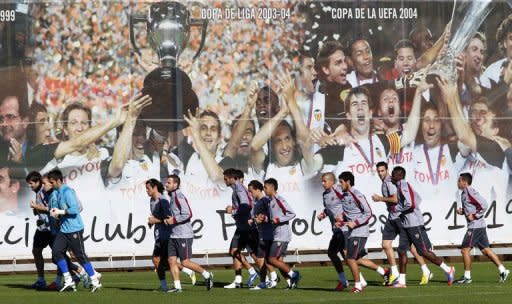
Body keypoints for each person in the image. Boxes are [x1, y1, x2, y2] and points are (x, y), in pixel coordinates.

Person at [391, 166, 455, 287]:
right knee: (401, 251)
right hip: (406, 223)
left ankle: (448, 269)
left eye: (393, 174)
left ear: (399, 176)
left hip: (413, 224)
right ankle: (402, 281)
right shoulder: (401, 186)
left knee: (423, 252)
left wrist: (397, 208)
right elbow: (417, 199)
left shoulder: (403, 185)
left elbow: (411, 203)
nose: (391, 176)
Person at [371, 162, 432, 286]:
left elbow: (395, 199)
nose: (380, 173)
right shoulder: (384, 183)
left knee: (412, 248)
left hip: (399, 217)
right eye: (378, 171)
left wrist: (380, 199)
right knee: (386, 244)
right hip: (392, 218)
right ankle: (394, 272)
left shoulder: (390, 182)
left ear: (387, 170)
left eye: (382, 170)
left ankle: (426, 270)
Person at [47, 169, 102, 292]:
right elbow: (65, 211)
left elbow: (75, 209)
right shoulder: (59, 192)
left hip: (74, 229)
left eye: (52, 182)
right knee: (56, 252)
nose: (51, 185)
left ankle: (94, 280)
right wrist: (57, 215)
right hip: (64, 229)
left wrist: (60, 212)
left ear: (58, 180)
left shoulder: (67, 192)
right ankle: (68, 280)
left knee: (80, 256)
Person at [336, 171, 388, 293]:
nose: (340, 184)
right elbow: (351, 213)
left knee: (350, 258)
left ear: (348, 182)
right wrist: (342, 220)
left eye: (341, 182)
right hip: (351, 232)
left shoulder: (357, 194)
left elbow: (368, 212)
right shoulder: (344, 195)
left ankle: (359, 285)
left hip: (360, 231)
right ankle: (383, 271)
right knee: (355, 258)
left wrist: (355, 223)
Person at [455, 173, 510, 284]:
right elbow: (471, 208)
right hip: (478, 226)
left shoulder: (470, 191)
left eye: (459, 181)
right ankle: (503, 270)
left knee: (465, 250)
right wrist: (463, 212)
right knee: (486, 250)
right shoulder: (464, 193)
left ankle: (467, 277)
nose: (458, 183)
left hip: (475, 226)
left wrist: (474, 216)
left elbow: (484, 204)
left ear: (465, 182)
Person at [164, 174, 214, 292]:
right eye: (166, 182)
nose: (166, 184)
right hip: (174, 234)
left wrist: (173, 220)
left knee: (185, 262)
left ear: (176, 185)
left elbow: (188, 214)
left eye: (169, 183)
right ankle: (177, 287)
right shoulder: (172, 197)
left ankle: (207, 275)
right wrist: (169, 220)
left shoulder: (178, 196)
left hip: (183, 235)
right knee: (171, 260)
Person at [223, 168, 258, 288]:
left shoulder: (239, 189)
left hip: (247, 227)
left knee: (250, 253)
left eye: (226, 179)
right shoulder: (237, 189)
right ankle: (239, 280)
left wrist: (232, 210)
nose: (224, 181)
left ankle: (264, 275)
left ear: (233, 178)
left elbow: (246, 206)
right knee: (236, 251)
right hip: (242, 226)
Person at [263, 178, 300, 289]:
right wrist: (264, 218)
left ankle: (294, 274)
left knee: (271, 259)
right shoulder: (271, 202)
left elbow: (292, 213)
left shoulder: (279, 200)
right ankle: (290, 283)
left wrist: (278, 220)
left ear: (272, 187)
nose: (264, 190)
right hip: (277, 234)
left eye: (265, 187)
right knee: (279, 262)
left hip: (282, 235)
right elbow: (273, 218)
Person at [316, 172, 349, 291]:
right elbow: (329, 209)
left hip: (344, 229)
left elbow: (350, 205)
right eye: (322, 181)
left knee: (347, 256)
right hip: (336, 230)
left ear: (331, 181)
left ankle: (358, 280)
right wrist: (323, 214)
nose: (322, 183)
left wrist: (343, 216)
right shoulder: (325, 194)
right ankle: (344, 280)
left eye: (325, 181)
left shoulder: (339, 190)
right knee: (334, 254)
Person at [247, 179, 279, 290]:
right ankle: (273, 278)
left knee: (261, 259)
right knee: (265, 259)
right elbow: (259, 217)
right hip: (261, 233)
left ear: (257, 189)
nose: (250, 194)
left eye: (251, 191)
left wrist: (260, 219)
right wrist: (253, 220)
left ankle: (264, 282)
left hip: (267, 234)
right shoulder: (257, 202)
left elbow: (269, 216)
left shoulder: (265, 201)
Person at [145, 178, 173, 292]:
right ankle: (164, 286)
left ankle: (189, 271)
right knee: (157, 260)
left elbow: (168, 219)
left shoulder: (163, 201)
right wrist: (151, 223)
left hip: (166, 235)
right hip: (158, 235)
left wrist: (154, 221)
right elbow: (155, 217)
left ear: (155, 187)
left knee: (164, 261)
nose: (146, 191)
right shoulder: (152, 200)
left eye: (148, 188)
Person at [481, 14, 512, 88]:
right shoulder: (492, 71)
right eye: (511, 38)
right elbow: (483, 97)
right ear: (504, 42)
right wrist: (505, 83)